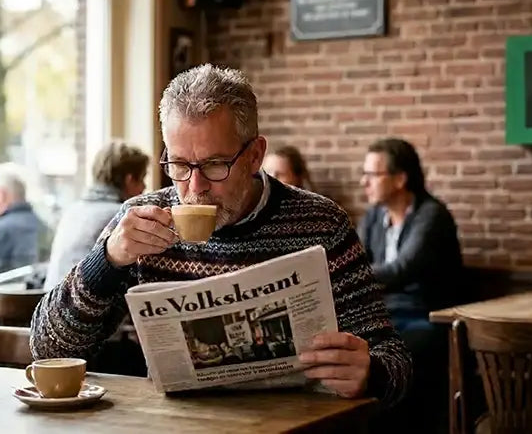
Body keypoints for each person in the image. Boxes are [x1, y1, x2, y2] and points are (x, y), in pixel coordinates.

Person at [31, 64, 412, 406]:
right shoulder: (141, 221)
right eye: (179, 165)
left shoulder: (321, 223)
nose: (195, 187)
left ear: (254, 155)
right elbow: (47, 348)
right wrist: (108, 260)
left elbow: (396, 363)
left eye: (215, 165)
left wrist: (371, 373)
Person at [357, 137, 463, 432]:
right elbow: (356, 263)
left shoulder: (432, 215)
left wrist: (358, 276)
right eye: (364, 174)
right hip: (387, 316)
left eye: (373, 175)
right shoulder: (373, 216)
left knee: (393, 354)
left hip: (428, 317)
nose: (364, 182)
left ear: (400, 178)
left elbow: (403, 269)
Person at [44, 141, 149, 291]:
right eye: (142, 179)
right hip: (84, 305)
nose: (144, 187)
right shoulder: (121, 218)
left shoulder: (74, 210)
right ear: (129, 179)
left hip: (52, 298)